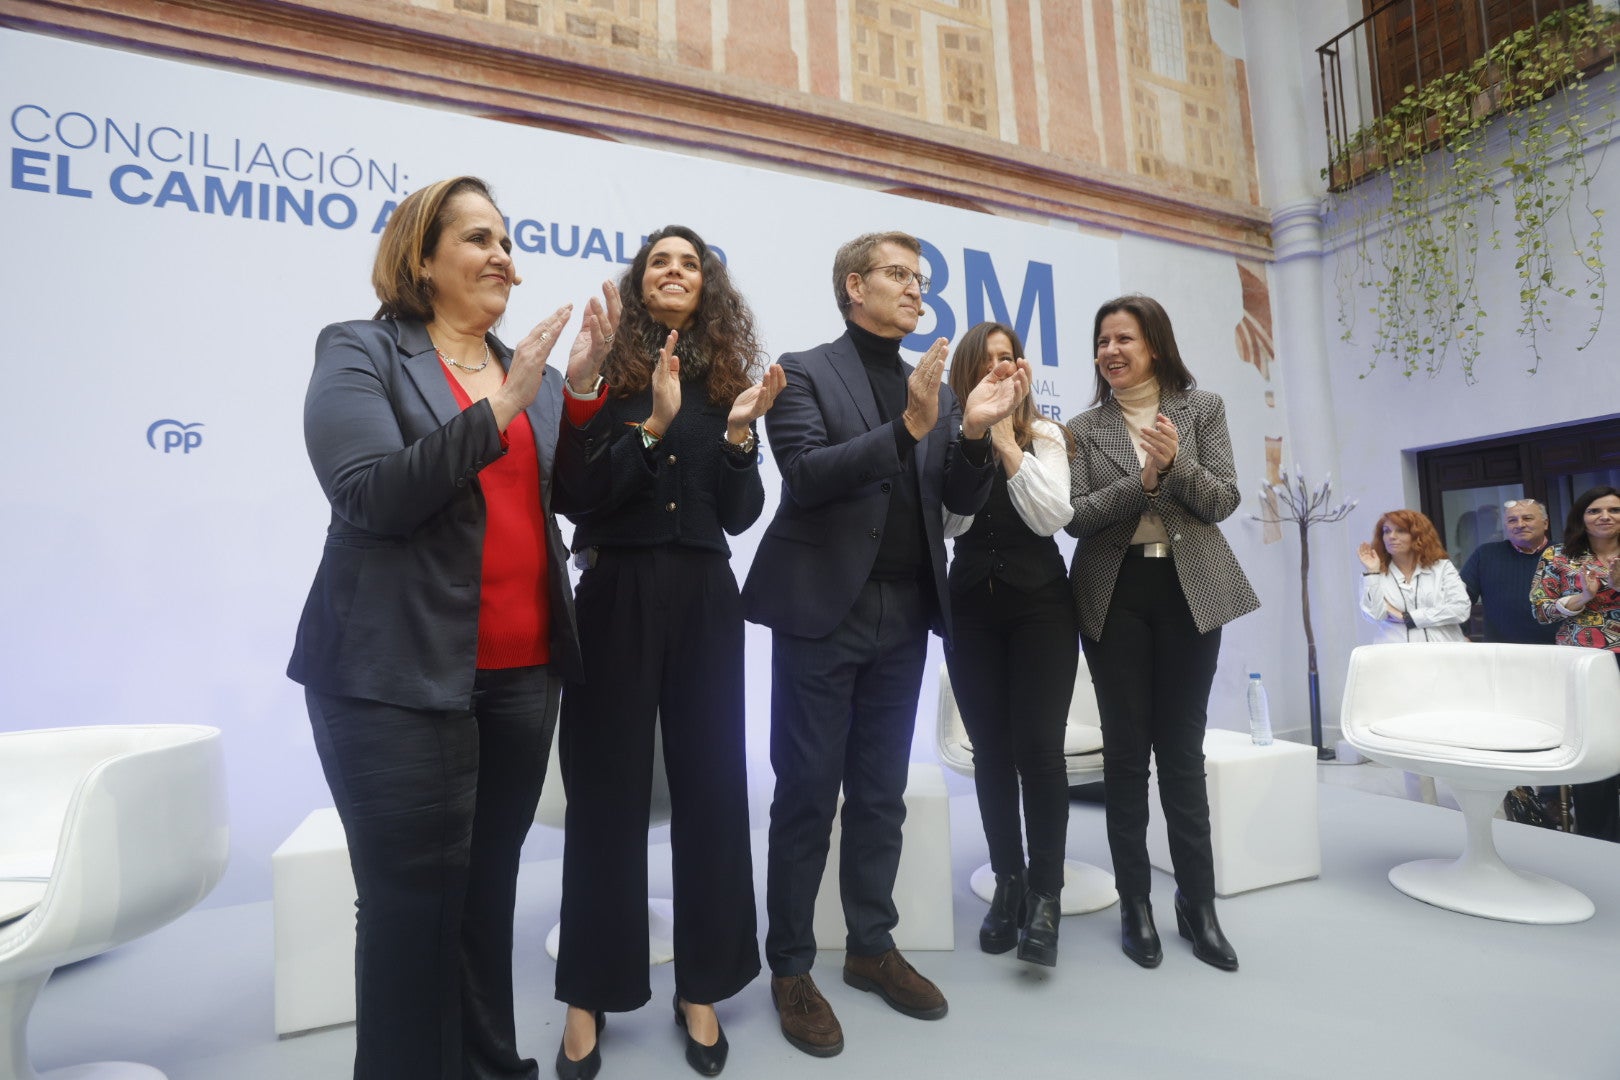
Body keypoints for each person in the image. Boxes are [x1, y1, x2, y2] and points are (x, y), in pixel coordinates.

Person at [287, 175, 616, 1080]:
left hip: (522, 675)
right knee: (409, 906)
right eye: (477, 239)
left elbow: (572, 502)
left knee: (484, 891)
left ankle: (491, 1063)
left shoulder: (535, 377)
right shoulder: (361, 353)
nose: (502, 255)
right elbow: (370, 495)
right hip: (390, 676)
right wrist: (502, 407)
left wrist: (578, 390)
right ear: (422, 260)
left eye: (507, 239)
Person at [742, 231, 1029, 1057]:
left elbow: (959, 499)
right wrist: (911, 425)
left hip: (905, 615)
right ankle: (791, 967)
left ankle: (870, 946)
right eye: (900, 276)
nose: (917, 290)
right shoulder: (802, 371)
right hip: (822, 615)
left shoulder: (929, 386)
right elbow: (807, 474)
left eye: (923, 279)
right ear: (853, 286)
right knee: (805, 795)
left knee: (878, 796)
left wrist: (972, 435)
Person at [550, 225, 784, 1080]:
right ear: (640, 282)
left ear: (707, 286)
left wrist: (737, 438)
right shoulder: (607, 369)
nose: (675, 272)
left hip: (704, 596)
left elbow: (738, 513)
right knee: (606, 794)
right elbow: (578, 493)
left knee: (714, 790)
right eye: (660, 262)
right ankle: (587, 996)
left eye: (690, 263)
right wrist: (650, 421)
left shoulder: (727, 382)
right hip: (614, 591)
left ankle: (704, 988)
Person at [1065, 294, 1257, 973]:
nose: (1110, 351)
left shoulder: (1200, 411)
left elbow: (1224, 500)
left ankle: (1197, 906)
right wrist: (1142, 482)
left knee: (1180, 754)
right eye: (1102, 341)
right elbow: (1078, 518)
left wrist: (1177, 468)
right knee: (1124, 757)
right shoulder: (1084, 427)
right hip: (1115, 597)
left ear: (1155, 345)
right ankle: (1136, 904)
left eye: (1124, 338)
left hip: (1188, 595)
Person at [940, 321, 1077, 966]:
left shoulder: (1046, 434)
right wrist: (974, 435)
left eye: (1011, 358)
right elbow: (947, 522)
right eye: (990, 360)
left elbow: (1052, 515)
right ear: (969, 370)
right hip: (970, 607)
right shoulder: (948, 436)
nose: (1003, 368)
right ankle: (1008, 883)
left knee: (1039, 752)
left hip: (1042, 607)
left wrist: (1006, 441)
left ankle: (1045, 897)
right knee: (990, 751)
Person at [1531, 485, 1620, 841]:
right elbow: (1540, 610)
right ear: (1581, 517)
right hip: (1586, 662)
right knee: (1597, 748)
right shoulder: (1558, 556)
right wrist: (1583, 597)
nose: (1605, 517)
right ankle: (1599, 839)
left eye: (1614, 510)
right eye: (1595, 510)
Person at [1356, 509, 1471, 643]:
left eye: (1401, 530)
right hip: (1395, 656)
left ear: (1418, 536)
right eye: (1387, 531)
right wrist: (1372, 573)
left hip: (1442, 653)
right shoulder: (1374, 573)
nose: (1391, 536)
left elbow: (1461, 610)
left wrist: (1407, 617)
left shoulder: (1442, 568)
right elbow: (1375, 615)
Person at [1459, 499, 1558, 646]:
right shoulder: (1485, 554)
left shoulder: (1566, 554)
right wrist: (1460, 634)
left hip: (1558, 650)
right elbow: (1459, 599)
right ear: (1506, 527)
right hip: (1501, 652)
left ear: (1545, 523)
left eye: (1527, 518)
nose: (1520, 525)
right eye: (1512, 520)